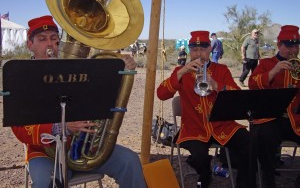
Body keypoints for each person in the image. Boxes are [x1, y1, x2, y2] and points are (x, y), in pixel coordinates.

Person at [11, 15, 147, 188]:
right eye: (42, 39)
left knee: (129, 161)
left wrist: (121, 69)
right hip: (45, 154)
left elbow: (101, 97)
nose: (50, 44)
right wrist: (62, 127)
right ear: (30, 45)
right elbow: (20, 130)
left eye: (54, 39)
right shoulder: (21, 78)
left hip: (83, 146)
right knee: (47, 182)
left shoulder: (76, 71)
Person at [157, 31, 251, 188]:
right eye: (194, 49)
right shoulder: (180, 72)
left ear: (209, 51)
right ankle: (205, 173)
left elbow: (238, 97)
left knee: (249, 142)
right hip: (194, 128)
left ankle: (244, 183)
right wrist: (181, 72)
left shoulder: (222, 70)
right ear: (189, 51)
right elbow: (161, 94)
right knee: (199, 157)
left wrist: (216, 85)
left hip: (222, 126)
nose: (199, 53)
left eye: (203, 49)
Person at [248, 25, 300, 188]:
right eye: (289, 45)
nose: (293, 49)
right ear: (279, 45)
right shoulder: (266, 63)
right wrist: (273, 72)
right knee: (265, 136)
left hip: (295, 119)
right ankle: (267, 178)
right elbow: (252, 84)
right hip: (270, 118)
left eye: (296, 45)